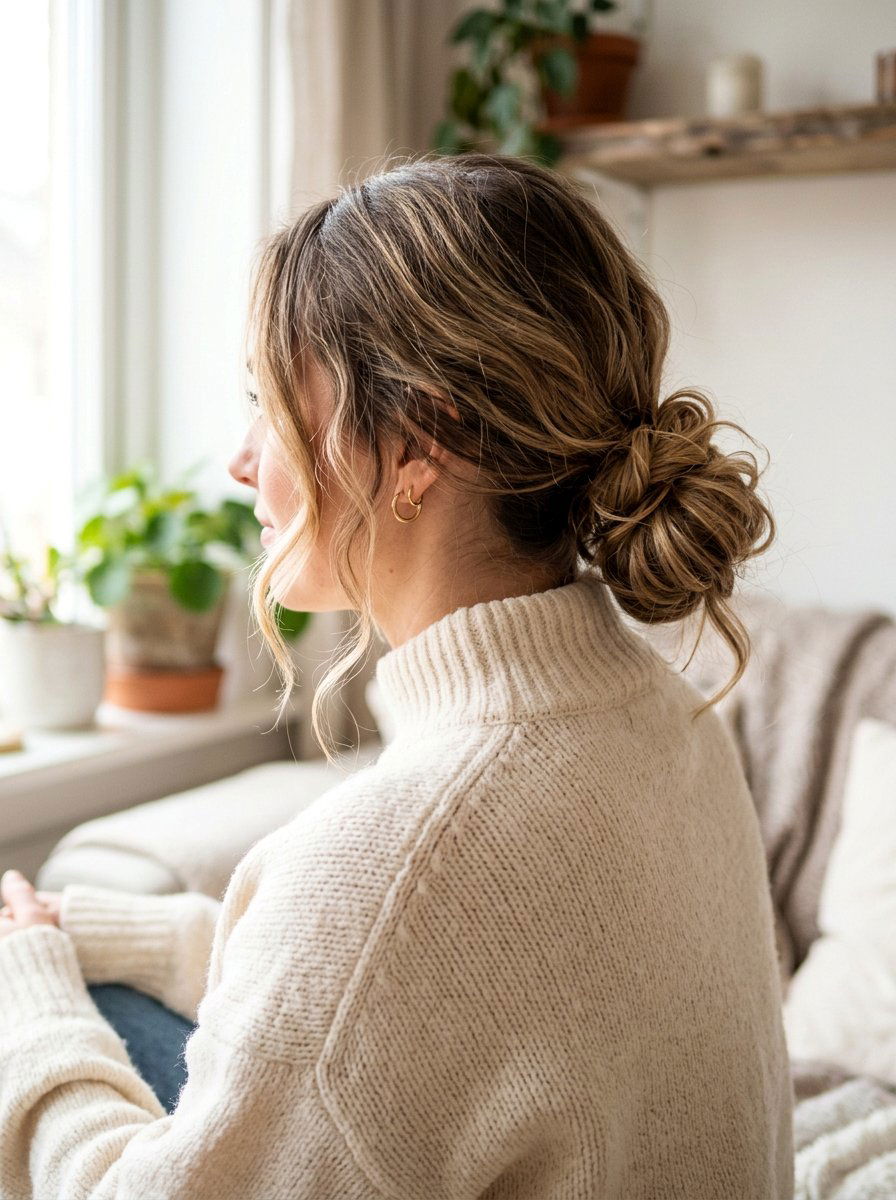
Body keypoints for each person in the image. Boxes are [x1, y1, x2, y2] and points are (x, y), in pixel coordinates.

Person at [0, 151, 794, 1198]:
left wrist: (31, 1003)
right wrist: (81, 933)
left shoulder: (397, 865)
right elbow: (422, 1010)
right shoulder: (664, 712)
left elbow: (379, 966)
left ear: (418, 442)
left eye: (266, 404)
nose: (242, 462)